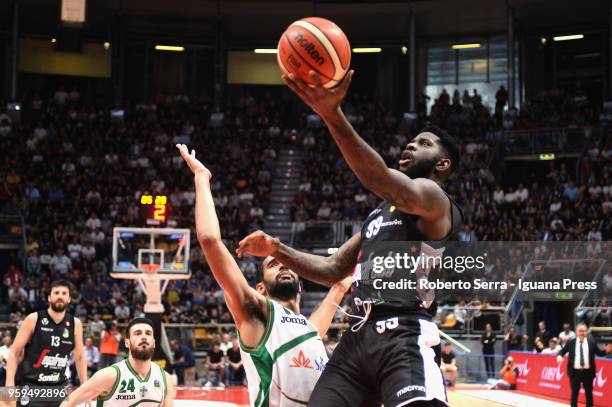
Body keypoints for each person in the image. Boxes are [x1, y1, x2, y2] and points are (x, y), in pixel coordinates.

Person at [238, 70, 464, 406]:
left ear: (442, 164)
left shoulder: (434, 198)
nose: (410, 145)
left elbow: (378, 178)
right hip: (357, 339)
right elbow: (332, 268)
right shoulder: (378, 215)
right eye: (411, 141)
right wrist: (277, 249)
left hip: (403, 334)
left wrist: (332, 114)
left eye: (424, 143)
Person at [177, 144, 352, 405]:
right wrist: (202, 178)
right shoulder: (258, 312)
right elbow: (210, 240)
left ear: (301, 286)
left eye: (287, 263)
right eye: (272, 264)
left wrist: (341, 285)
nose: (283, 265)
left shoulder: (307, 330)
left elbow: (320, 318)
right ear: (260, 288)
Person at [59, 317, 174, 407]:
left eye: (148, 333)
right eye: (138, 333)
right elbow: (68, 403)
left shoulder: (165, 378)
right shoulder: (109, 375)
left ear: (154, 342)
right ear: (127, 343)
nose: (144, 337)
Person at [6, 280, 87, 406]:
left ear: (69, 299)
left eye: (64, 293)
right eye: (56, 293)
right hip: (31, 386)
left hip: (58, 389)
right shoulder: (33, 319)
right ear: (49, 298)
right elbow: (15, 352)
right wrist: (9, 384)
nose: (60, 296)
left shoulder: (75, 324)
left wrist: (85, 388)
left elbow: (80, 358)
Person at [557, 323, 612, 407]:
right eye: (580, 331)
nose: (582, 333)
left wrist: (606, 351)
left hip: (588, 373)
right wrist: (559, 356)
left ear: (586, 332)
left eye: (584, 331)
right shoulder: (571, 343)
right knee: (574, 394)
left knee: (589, 394)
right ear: (576, 332)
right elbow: (562, 351)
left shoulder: (592, 343)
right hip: (574, 373)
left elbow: (599, 353)